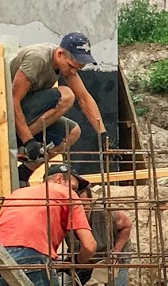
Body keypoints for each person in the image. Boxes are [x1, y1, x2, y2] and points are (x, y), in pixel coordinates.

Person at [10, 32, 108, 186]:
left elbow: (85, 98)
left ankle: (24, 171)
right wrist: (27, 140)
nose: (73, 72)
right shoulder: (37, 59)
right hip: (10, 115)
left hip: (28, 116)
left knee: (73, 132)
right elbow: (13, 100)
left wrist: (102, 134)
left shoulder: (65, 66)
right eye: (71, 66)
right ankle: (16, 142)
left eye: (78, 68)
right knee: (66, 95)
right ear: (60, 54)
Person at [63, 188, 133, 286]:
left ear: (90, 201)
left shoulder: (103, 213)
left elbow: (126, 224)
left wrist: (116, 252)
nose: (79, 207)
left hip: (111, 257)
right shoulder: (64, 215)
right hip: (81, 259)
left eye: (83, 203)